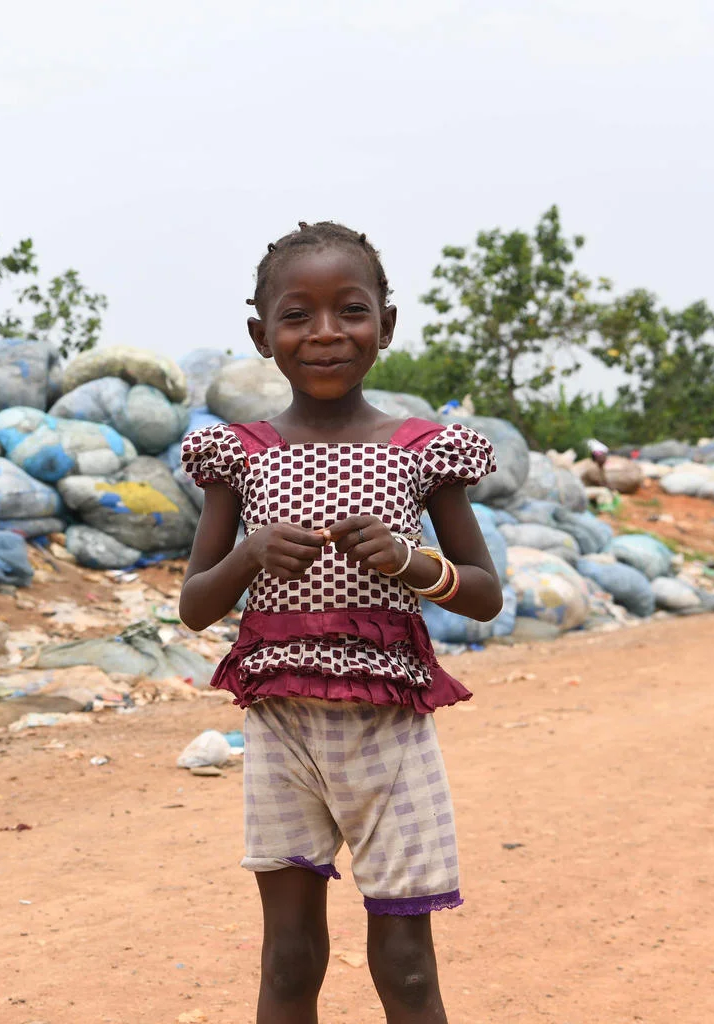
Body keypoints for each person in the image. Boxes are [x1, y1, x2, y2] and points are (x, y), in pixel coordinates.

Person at [177, 222, 505, 1024]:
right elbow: (196, 606)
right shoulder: (240, 453)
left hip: (390, 736)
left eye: (350, 311)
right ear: (262, 334)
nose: (325, 334)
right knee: (289, 959)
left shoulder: (421, 450)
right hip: (282, 731)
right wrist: (251, 555)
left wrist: (406, 562)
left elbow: (487, 594)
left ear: (386, 325)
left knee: (408, 967)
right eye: (297, 316)